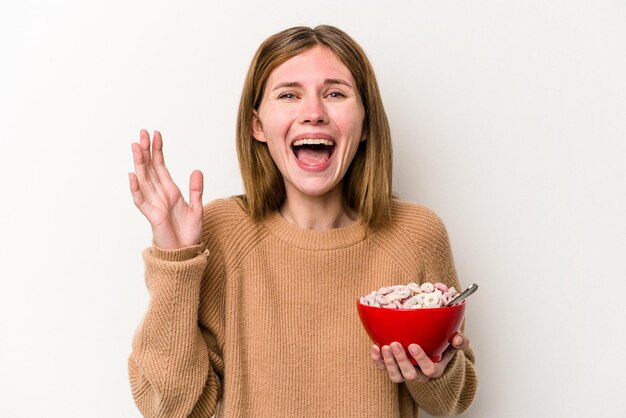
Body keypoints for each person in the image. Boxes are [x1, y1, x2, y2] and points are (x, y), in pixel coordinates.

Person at [127, 25, 477, 418]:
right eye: (289, 94)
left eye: (335, 93)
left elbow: (452, 400)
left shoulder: (416, 235)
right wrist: (176, 262)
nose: (313, 113)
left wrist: (434, 371)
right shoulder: (224, 232)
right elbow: (171, 407)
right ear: (257, 125)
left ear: (364, 124)